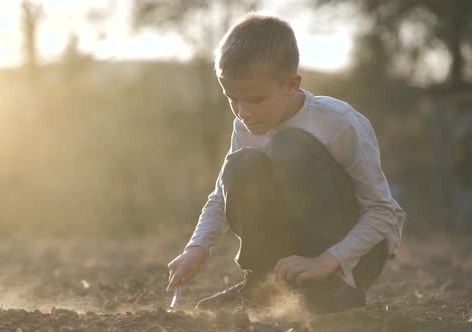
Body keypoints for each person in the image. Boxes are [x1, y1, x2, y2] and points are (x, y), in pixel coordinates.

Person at [165, 13, 405, 314]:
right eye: (232, 99)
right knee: (241, 165)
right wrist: (196, 249)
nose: (243, 112)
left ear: (292, 84)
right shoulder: (247, 124)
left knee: (289, 144)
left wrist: (326, 262)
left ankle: (330, 288)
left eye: (255, 99)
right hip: (294, 258)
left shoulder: (338, 122)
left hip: (352, 259)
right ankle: (263, 283)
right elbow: (221, 196)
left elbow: (382, 212)